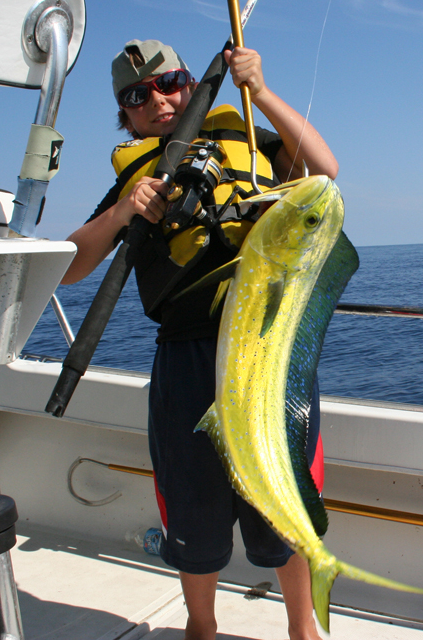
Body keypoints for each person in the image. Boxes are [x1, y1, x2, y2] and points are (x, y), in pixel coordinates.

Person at [62, 39, 337, 640]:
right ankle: (201, 626)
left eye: (170, 83)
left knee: (282, 491)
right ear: (125, 115)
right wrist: (120, 214)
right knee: (194, 502)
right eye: (137, 97)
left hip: (268, 349)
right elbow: (70, 266)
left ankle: (303, 628)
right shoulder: (137, 179)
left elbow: (325, 168)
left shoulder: (244, 131)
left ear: (192, 85)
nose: (157, 101)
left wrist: (260, 91)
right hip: (184, 358)